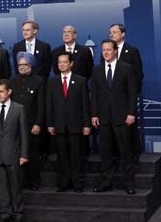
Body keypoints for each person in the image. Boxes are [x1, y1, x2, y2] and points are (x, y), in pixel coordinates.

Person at [91, 39, 138, 194]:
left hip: (122, 117)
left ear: (115, 51)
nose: (105, 52)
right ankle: (106, 183)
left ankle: (129, 183)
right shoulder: (96, 70)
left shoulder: (127, 68)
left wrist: (131, 113)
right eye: (103, 49)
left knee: (125, 152)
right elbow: (95, 94)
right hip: (103, 118)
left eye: (108, 49)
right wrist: (94, 114)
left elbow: (132, 93)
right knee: (105, 153)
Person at [0, 79, 29, 222]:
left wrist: (24, 154)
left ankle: (18, 214)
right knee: (1, 187)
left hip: (14, 154)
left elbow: (23, 134)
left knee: (16, 186)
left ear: (9, 91)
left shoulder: (19, 109)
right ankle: (5, 213)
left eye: (2, 91)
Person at [46, 52, 91, 192]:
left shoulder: (80, 80)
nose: (62, 64)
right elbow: (49, 104)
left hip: (76, 125)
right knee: (62, 157)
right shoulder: (52, 81)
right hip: (59, 126)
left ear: (71, 63)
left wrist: (86, 124)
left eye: (65, 62)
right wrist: (50, 123)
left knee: (77, 156)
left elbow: (85, 104)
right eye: (59, 62)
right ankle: (63, 183)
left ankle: (78, 183)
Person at [9, 52, 45, 190]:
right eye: (20, 65)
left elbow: (41, 105)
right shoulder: (12, 81)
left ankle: (34, 182)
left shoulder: (39, 81)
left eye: (25, 64)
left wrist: (38, 123)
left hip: (32, 124)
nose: (22, 67)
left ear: (31, 65)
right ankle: (21, 182)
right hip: (16, 125)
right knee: (18, 154)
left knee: (33, 154)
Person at [109, 23, 144, 161]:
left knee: (130, 128)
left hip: (127, 98)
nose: (111, 34)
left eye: (115, 32)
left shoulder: (132, 50)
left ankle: (134, 156)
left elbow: (138, 75)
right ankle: (116, 155)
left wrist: (133, 94)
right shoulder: (107, 51)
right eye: (110, 32)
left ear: (122, 34)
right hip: (112, 99)